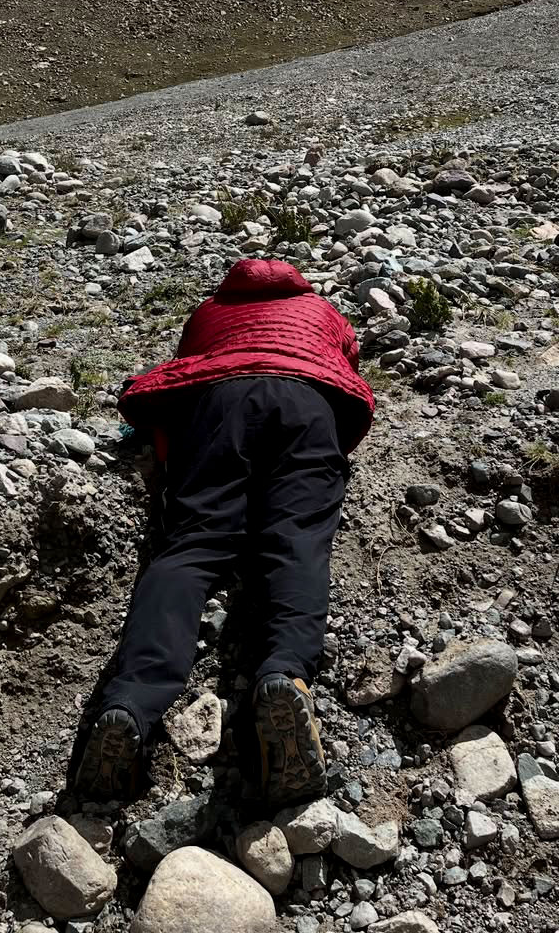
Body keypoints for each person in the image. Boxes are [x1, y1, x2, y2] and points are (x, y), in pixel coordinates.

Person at [71, 258, 375, 809]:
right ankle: (284, 675)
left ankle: (130, 705)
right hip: (308, 404)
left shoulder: (208, 312)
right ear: (297, 285)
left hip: (219, 406)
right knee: (295, 539)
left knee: (192, 546)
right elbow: (347, 362)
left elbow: (188, 366)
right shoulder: (320, 310)